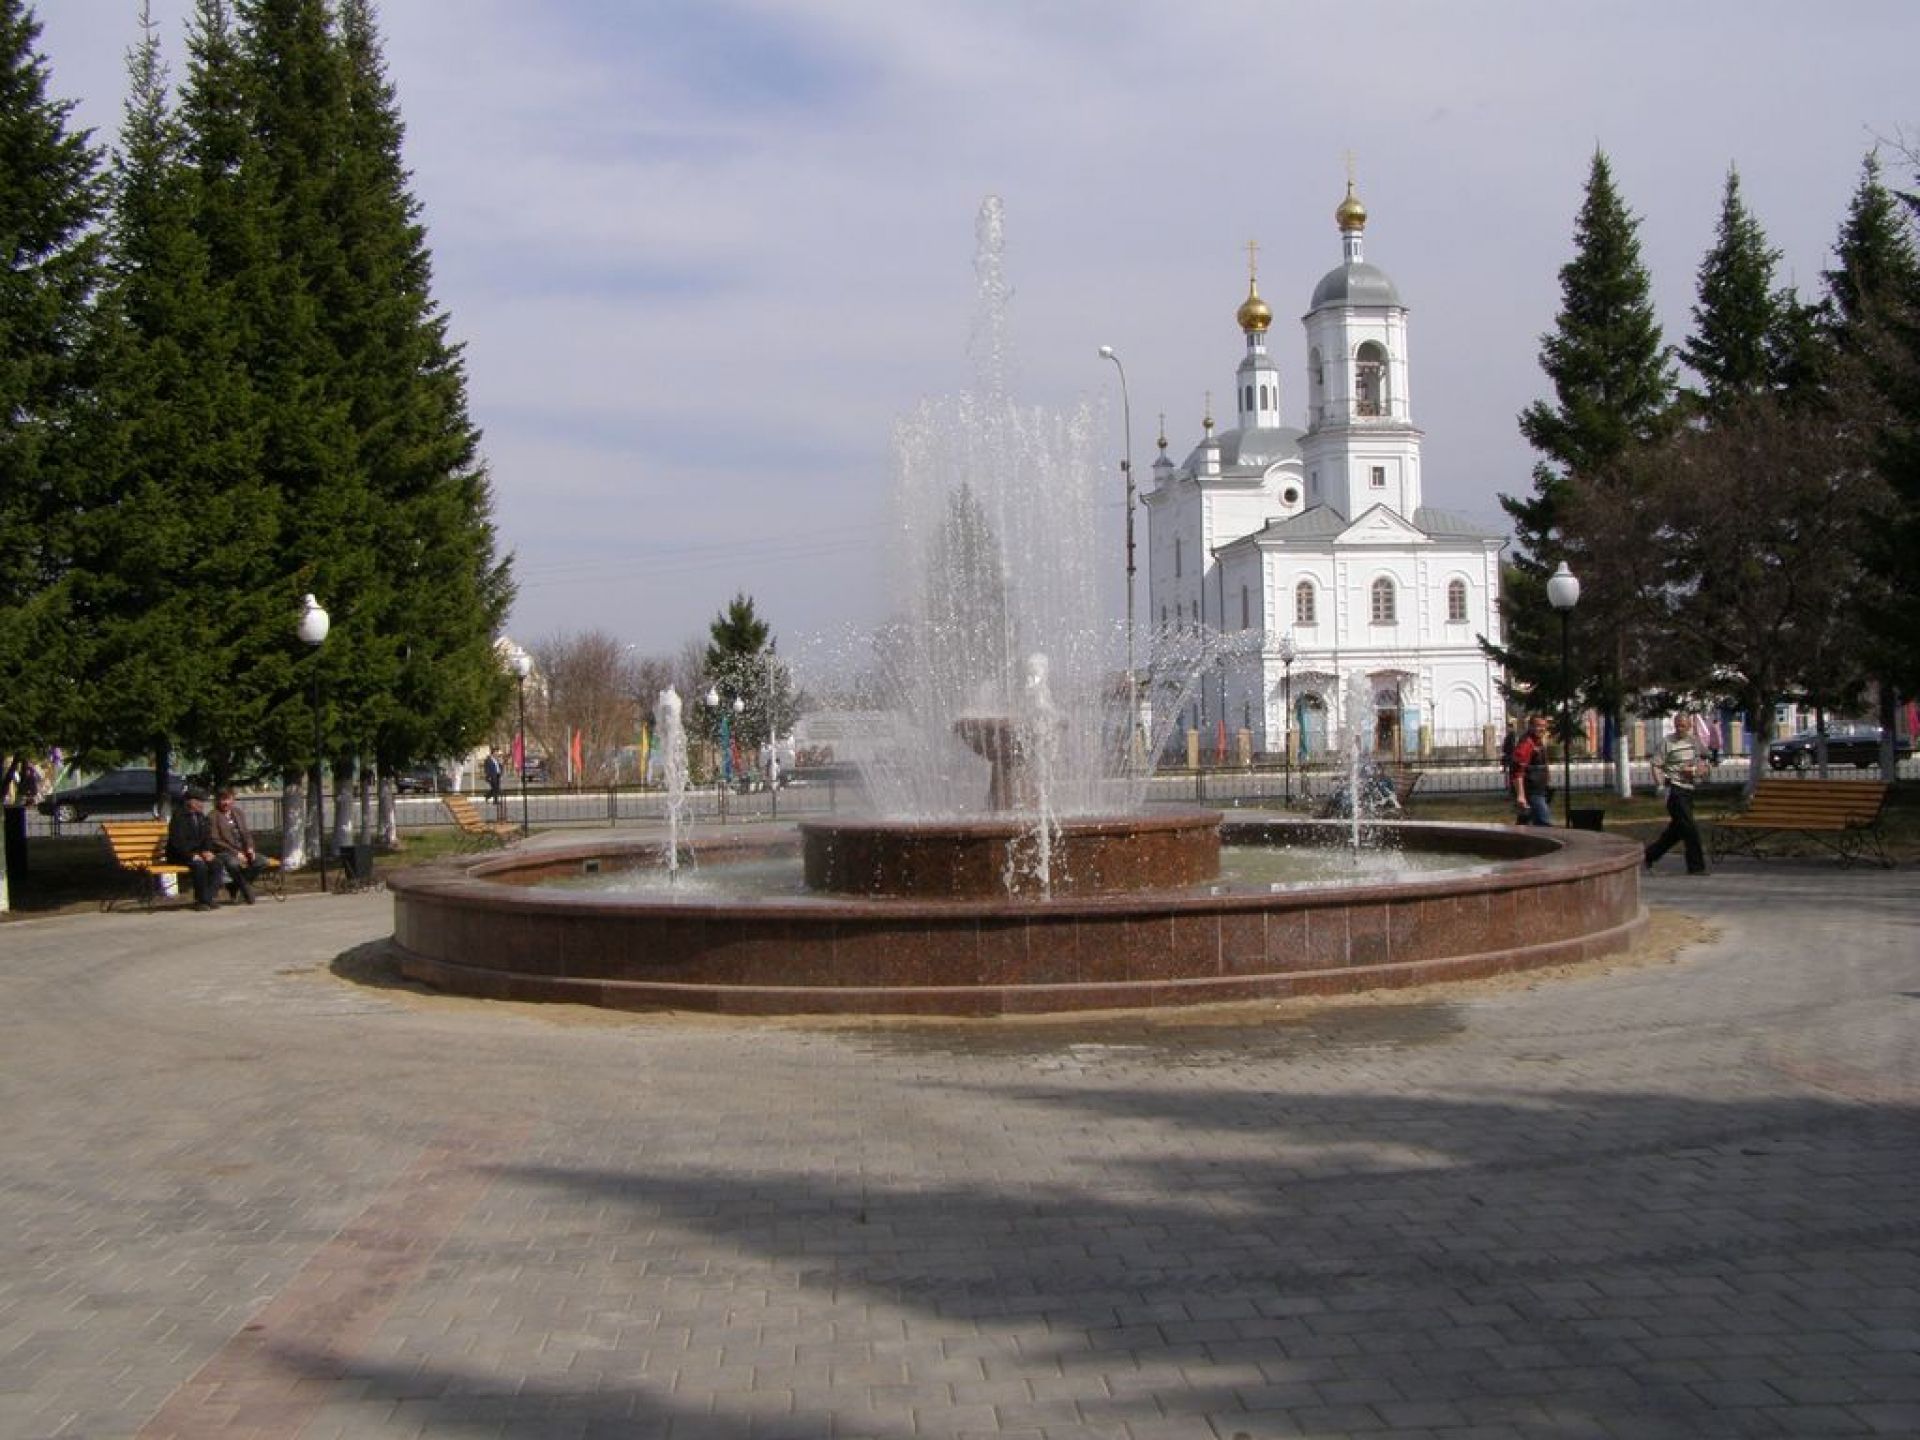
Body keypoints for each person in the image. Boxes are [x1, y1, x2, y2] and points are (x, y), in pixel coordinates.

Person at [1646, 712, 1709, 875]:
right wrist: (1660, 786)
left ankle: (1649, 855)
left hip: (1688, 789)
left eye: (1683, 726)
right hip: (1675, 790)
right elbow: (1656, 765)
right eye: (1677, 725)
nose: (1680, 728)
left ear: (1689, 726)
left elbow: (1703, 762)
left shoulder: (1694, 742)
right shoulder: (1667, 742)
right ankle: (1696, 867)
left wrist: (1700, 770)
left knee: (1676, 831)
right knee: (1690, 829)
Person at [165, 787, 222, 909]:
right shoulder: (179, 817)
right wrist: (191, 855)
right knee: (200, 866)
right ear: (189, 802)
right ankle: (201, 901)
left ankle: (208, 898)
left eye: (202, 801)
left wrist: (207, 851)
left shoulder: (201, 817)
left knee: (216, 864)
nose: (202, 804)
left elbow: (207, 837)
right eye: (199, 801)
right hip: (180, 855)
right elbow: (178, 842)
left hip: (198, 853)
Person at [209, 788, 260, 905]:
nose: (226, 802)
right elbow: (215, 840)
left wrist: (250, 848)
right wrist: (236, 853)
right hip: (224, 852)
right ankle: (246, 891)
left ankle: (236, 886)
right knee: (233, 864)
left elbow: (246, 833)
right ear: (217, 801)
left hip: (243, 851)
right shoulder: (213, 816)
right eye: (223, 800)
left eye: (228, 799)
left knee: (261, 861)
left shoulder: (238, 813)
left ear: (233, 800)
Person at [1509, 714, 1554, 826]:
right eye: (1538, 726)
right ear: (1530, 726)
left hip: (1539, 790)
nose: (1542, 729)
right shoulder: (1526, 743)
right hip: (1531, 792)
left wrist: (1547, 780)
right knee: (1543, 822)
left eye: (1544, 726)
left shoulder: (1538, 742)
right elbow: (1517, 771)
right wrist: (1520, 795)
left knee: (1524, 823)